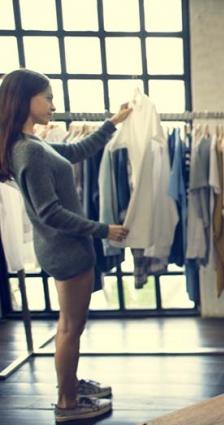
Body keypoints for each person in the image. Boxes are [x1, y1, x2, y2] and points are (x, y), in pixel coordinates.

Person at [0, 68, 131, 422]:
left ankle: (70, 385)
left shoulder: (32, 144)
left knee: (67, 325)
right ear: (26, 100)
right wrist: (105, 230)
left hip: (60, 248)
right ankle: (68, 403)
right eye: (48, 97)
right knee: (71, 328)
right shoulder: (28, 152)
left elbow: (75, 151)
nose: (53, 105)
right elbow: (50, 213)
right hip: (66, 250)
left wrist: (113, 122)